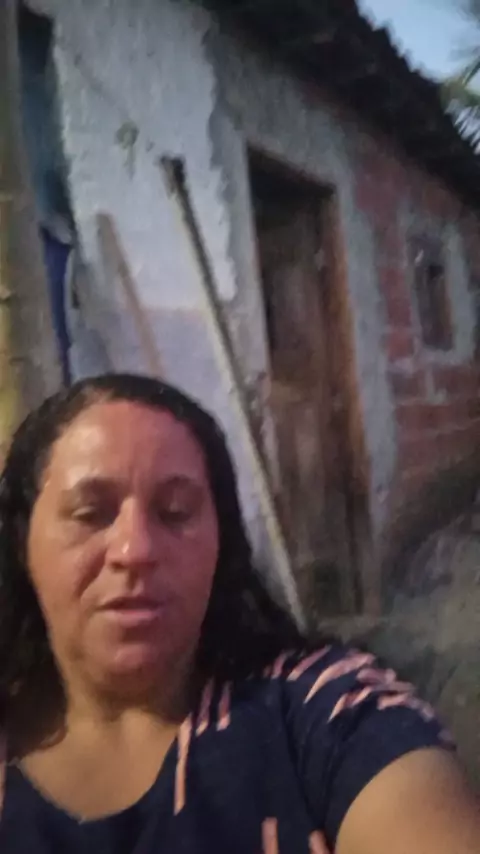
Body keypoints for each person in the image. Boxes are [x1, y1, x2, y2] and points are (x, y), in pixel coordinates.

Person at [0, 373, 477, 854]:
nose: (135, 549)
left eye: (175, 512)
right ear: (22, 541)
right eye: (91, 514)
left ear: (220, 541)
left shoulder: (324, 712)